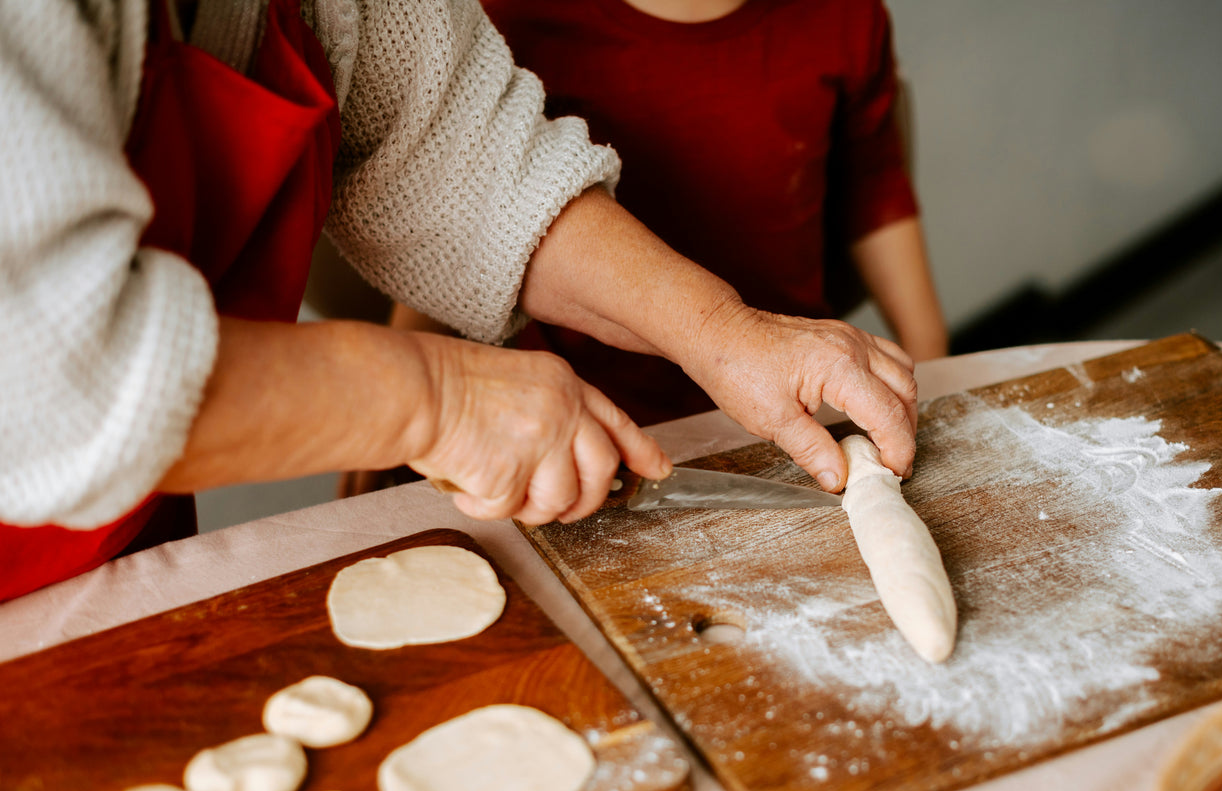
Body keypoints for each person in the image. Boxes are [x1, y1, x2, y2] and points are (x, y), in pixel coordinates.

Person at [0, 0, 917, 602]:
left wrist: (719, 331)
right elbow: (45, 375)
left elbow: (461, 156)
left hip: (119, 542)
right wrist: (437, 401)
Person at [469, 0, 951, 426]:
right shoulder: (509, 20)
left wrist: (933, 365)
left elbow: (874, 186)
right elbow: (458, 208)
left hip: (800, 396)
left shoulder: (846, 15)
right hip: (592, 414)